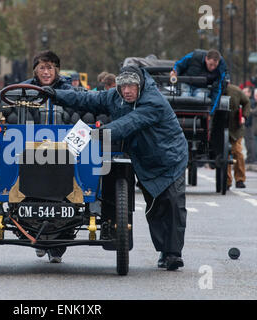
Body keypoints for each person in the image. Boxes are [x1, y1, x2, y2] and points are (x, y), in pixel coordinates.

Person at [41, 65, 188, 271]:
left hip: (169, 158)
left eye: (131, 86)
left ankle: (173, 254)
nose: (127, 90)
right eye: (123, 86)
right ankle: (165, 250)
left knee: (172, 204)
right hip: (143, 158)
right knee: (154, 206)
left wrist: (98, 134)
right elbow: (87, 100)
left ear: (141, 85)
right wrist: (56, 94)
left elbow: (128, 123)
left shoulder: (153, 102)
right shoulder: (114, 96)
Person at [23, 50, 73, 263]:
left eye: (50, 67)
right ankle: (37, 237)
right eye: (42, 67)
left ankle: (56, 248)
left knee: (67, 195)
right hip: (30, 148)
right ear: (36, 70)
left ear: (56, 70)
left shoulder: (69, 90)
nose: (46, 72)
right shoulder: (23, 89)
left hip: (63, 150)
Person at [170, 49, 228, 114]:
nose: (212, 68)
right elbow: (179, 65)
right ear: (206, 59)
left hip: (203, 88)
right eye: (210, 64)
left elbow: (218, 89)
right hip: (186, 84)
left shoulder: (221, 68)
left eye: (215, 66)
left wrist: (211, 112)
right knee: (185, 97)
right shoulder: (194, 56)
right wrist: (175, 72)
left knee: (200, 101)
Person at [225, 84, 251, 189]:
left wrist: (244, 116)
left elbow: (246, 102)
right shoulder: (214, 89)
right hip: (221, 127)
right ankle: (226, 181)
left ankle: (240, 179)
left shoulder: (236, 90)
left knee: (238, 152)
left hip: (236, 128)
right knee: (224, 155)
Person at [243, 87, 257, 164]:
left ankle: (252, 158)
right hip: (247, 124)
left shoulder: (251, 102)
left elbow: (252, 113)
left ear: (249, 93)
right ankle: (250, 157)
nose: (244, 94)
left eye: (245, 92)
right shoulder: (246, 101)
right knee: (247, 142)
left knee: (251, 142)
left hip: (251, 125)